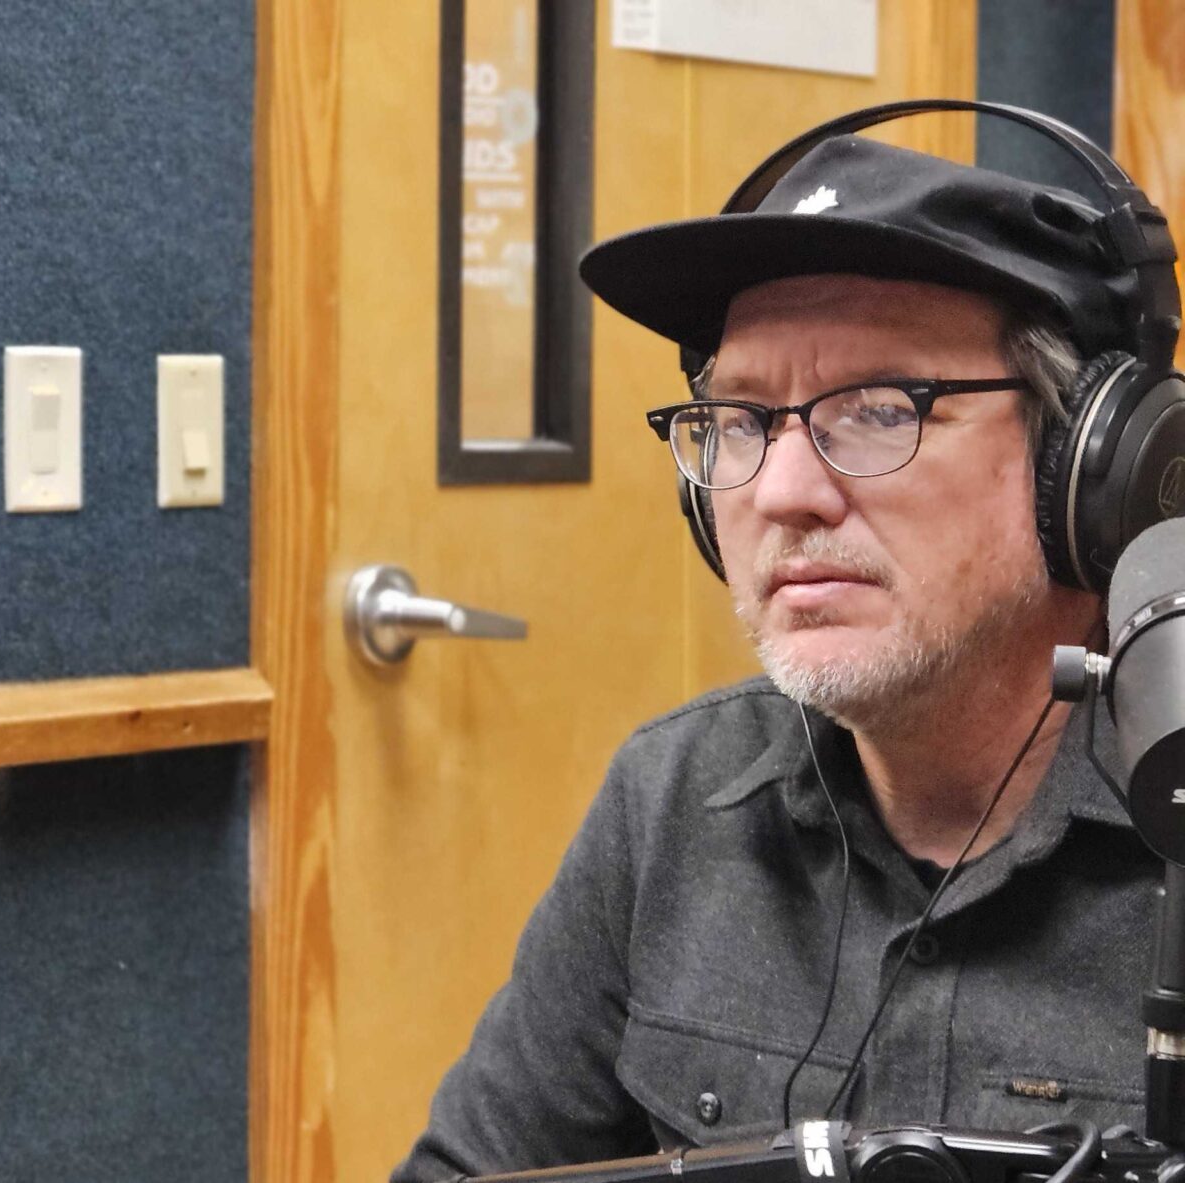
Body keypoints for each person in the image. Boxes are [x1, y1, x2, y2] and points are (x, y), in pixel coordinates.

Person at [397, 119, 1183, 1179]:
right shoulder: (672, 798)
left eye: (874, 410)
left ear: (1089, 470)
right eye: (737, 419)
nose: (780, 493)